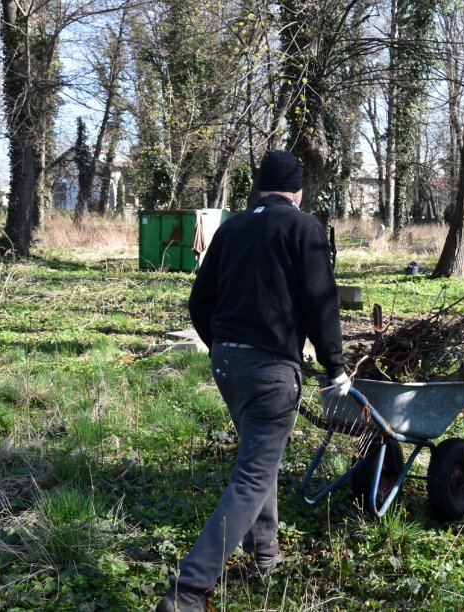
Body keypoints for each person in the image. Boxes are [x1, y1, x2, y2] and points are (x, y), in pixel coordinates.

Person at [157, 151, 350, 612]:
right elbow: (321, 302)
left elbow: (199, 301)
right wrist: (335, 366)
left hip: (228, 366)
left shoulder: (233, 227)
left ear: (260, 188)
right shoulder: (306, 228)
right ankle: (186, 593)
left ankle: (265, 558)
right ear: (298, 190)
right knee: (252, 473)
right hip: (271, 372)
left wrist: (223, 345)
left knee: (258, 459)